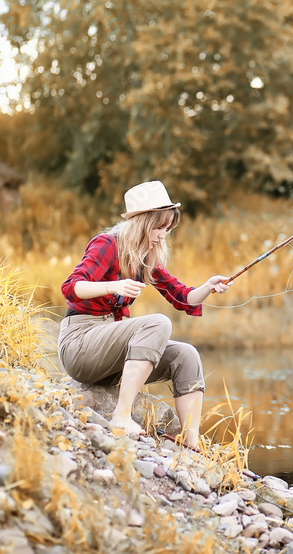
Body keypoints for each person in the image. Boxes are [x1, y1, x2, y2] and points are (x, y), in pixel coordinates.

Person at [58, 180, 229, 447]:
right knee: (158, 323)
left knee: (186, 355)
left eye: (167, 229)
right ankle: (121, 415)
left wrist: (207, 287)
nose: (163, 235)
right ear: (142, 223)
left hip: (109, 354)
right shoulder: (107, 244)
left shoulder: (145, 257)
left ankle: (191, 442)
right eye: (159, 227)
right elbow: (71, 287)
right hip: (80, 344)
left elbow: (182, 297)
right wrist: (112, 286)